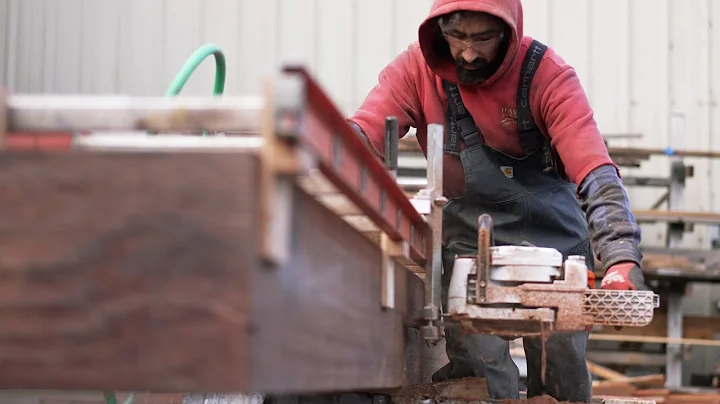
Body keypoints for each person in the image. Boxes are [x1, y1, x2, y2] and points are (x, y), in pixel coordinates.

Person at [347, 0, 650, 402]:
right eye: (457, 37)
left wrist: (621, 257)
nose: (468, 53)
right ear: (439, 31)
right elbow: (361, 135)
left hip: (554, 244)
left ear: (508, 31)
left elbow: (595, 170)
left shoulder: (548, 76)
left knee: (561, 370)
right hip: (469, 245)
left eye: (482, 38)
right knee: (478, 372)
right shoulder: (416, 70)